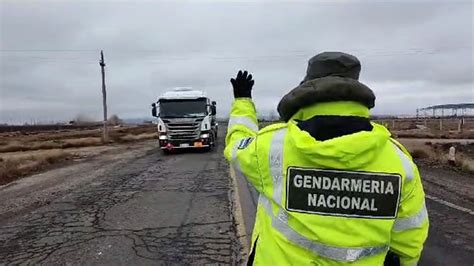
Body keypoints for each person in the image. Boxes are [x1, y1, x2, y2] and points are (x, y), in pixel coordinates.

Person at [224, 52, 429, 266]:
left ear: (306, 86)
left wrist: (242, 101)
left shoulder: (272, 146)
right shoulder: (398, 160)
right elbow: (410, 233)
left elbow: (237, 146)